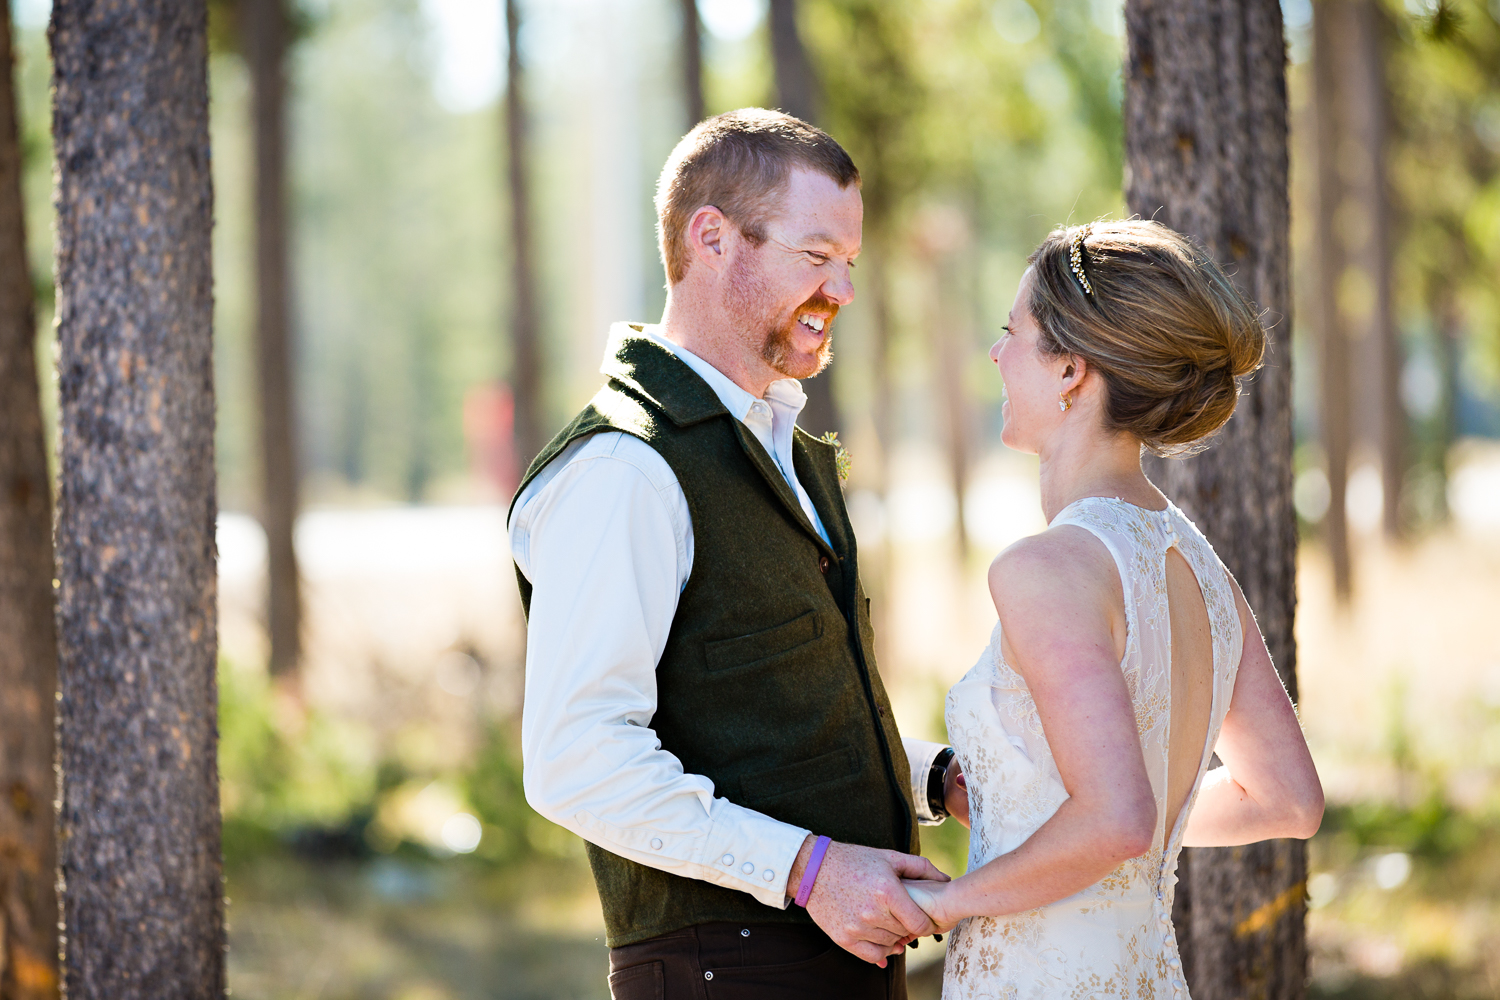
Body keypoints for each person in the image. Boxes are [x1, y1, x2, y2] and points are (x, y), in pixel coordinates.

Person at [508, 109, 964, 1000]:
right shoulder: (625, 468)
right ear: (711, 238)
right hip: (730, 972)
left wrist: (934, 780)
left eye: (851, 263)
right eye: (816, 255)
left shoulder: (778, 446)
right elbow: (575, 757)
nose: (843, 288)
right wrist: (809, 871)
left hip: (835, 958)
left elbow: (763, 718)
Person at [901, 220, 1325, 998]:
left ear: (1070, 369)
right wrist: (1048, 831)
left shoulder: (1046, 569)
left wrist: (944, 902)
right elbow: (1287, 799)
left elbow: (1119, 819)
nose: (996, 354)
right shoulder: (1202, 570)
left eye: (1012, 333)